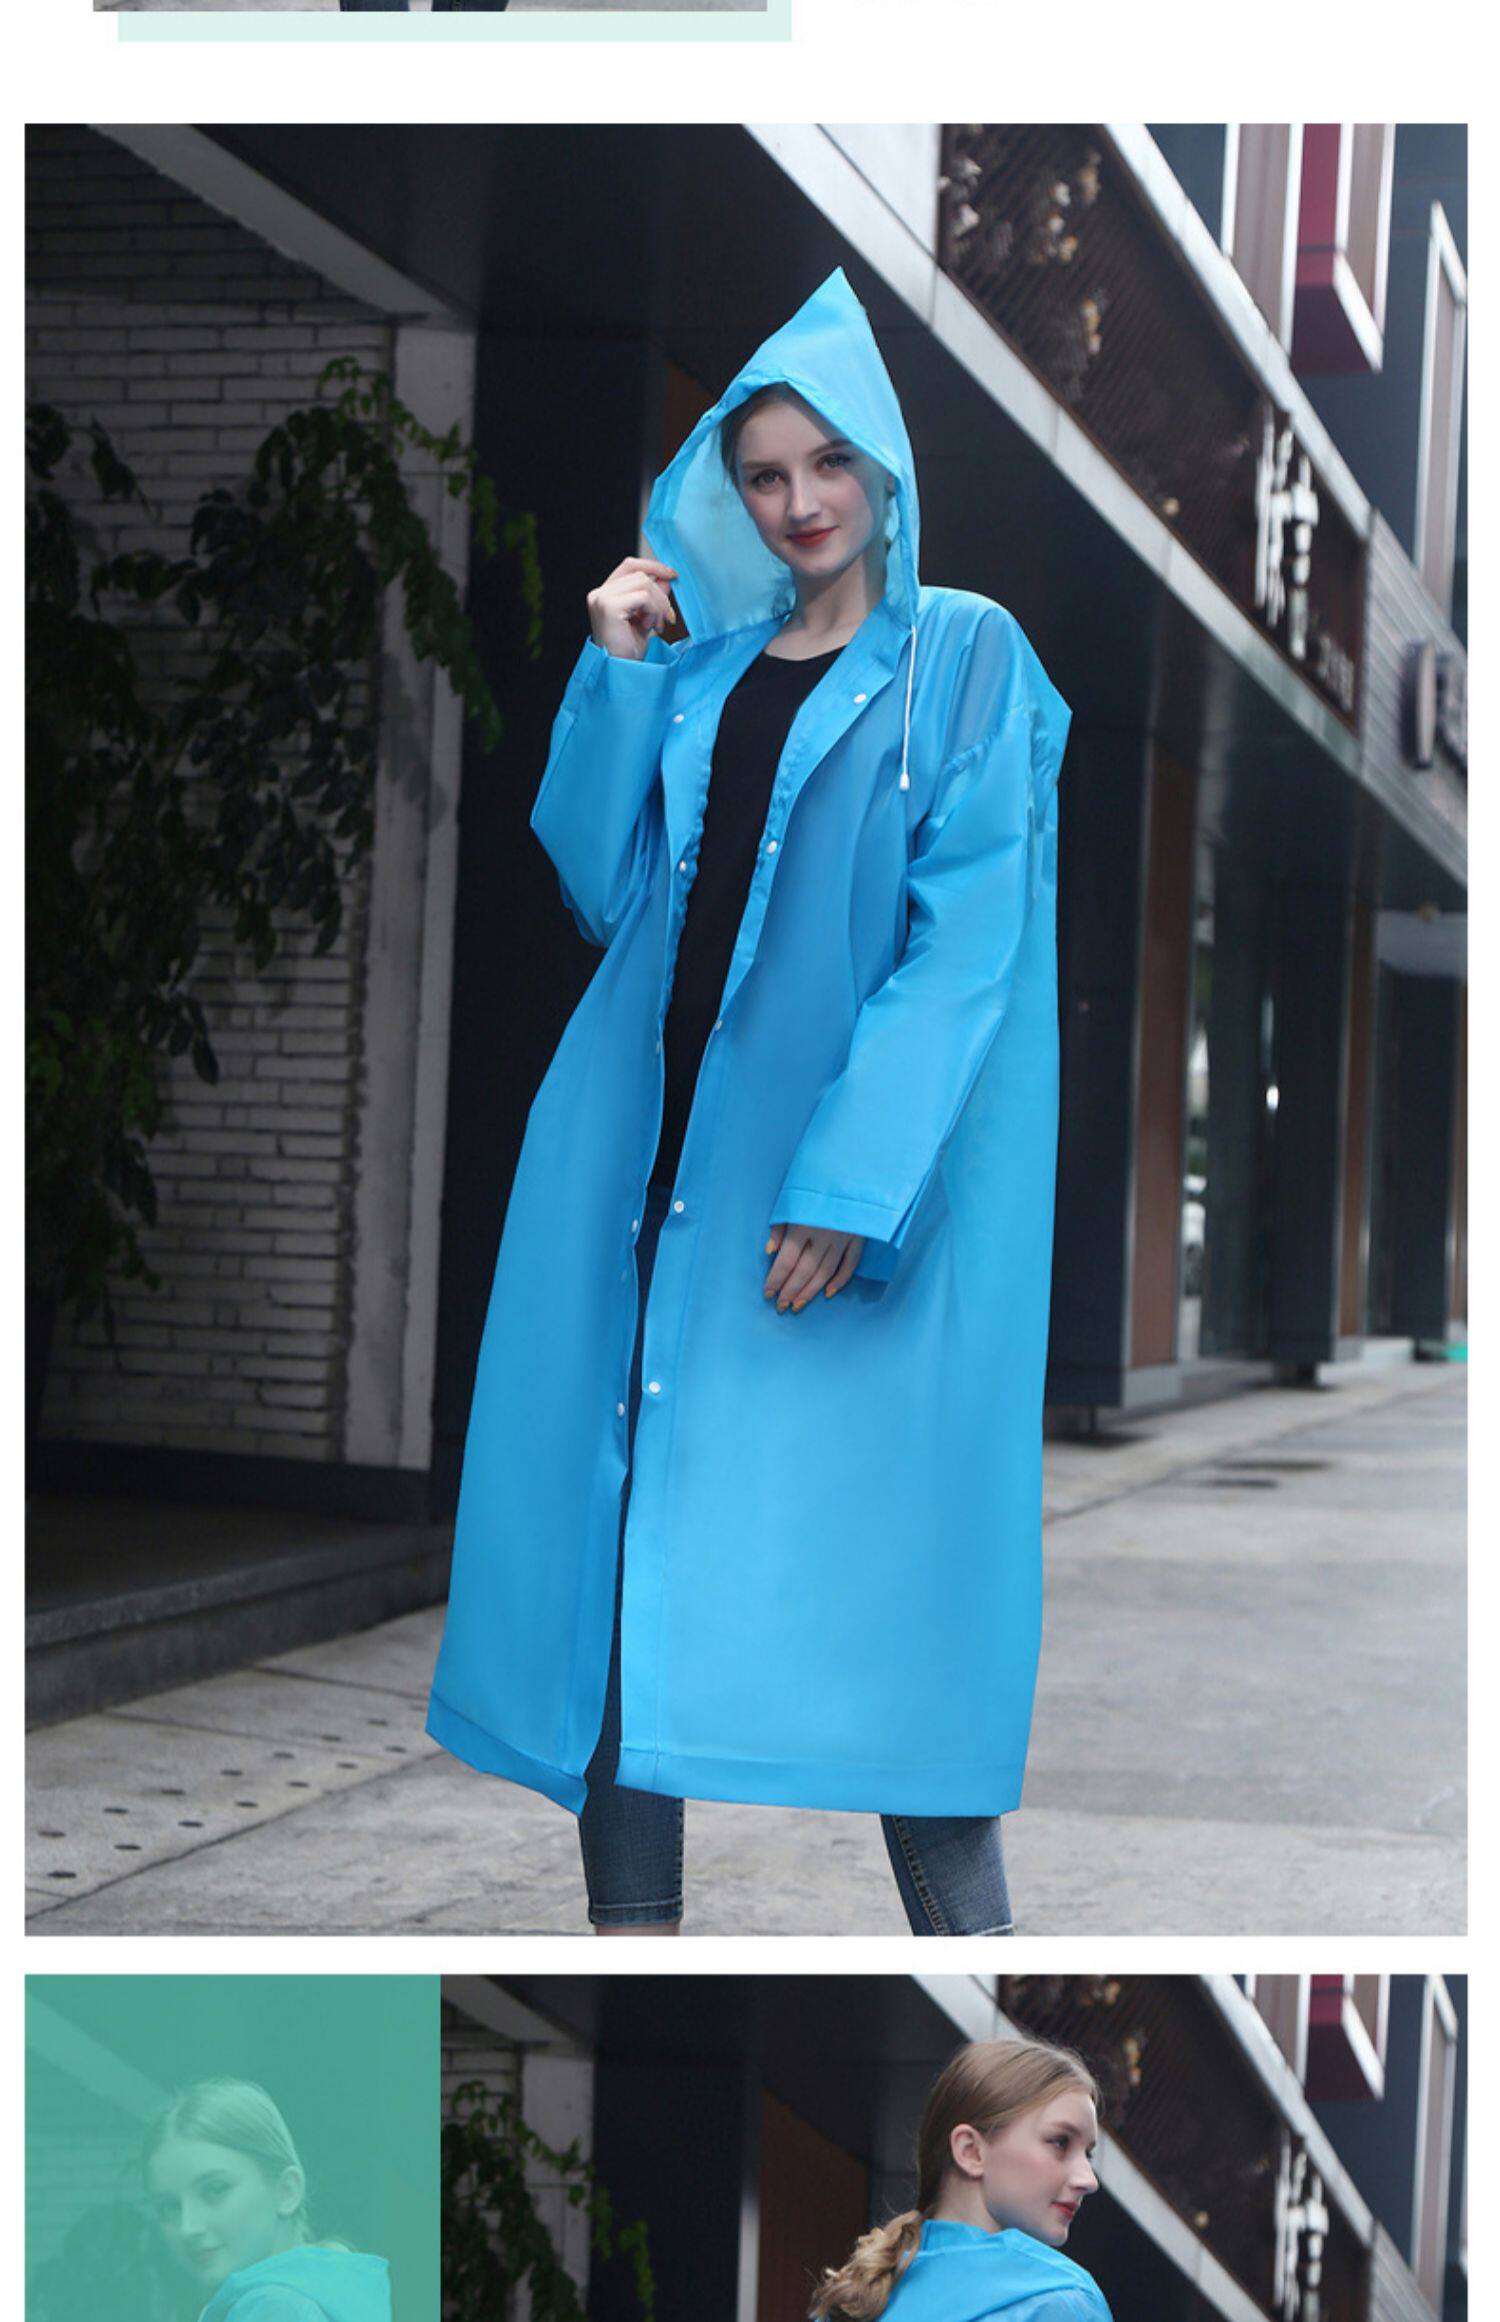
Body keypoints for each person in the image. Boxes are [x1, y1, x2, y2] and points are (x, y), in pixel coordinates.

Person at [427, 266, 1072, 1937]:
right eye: (765, 473)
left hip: (816, 1192)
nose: (798, 502)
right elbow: (599, 883)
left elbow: (968, 946)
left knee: (902, 1629)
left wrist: (850, 1188)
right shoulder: (701, 675)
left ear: (887, 468)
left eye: (828, 463)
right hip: (643, 1172)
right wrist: (616, 671)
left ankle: (980, 1969)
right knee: (619, 1591)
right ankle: (631, 1951)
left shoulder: (964, 658)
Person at [810, 2039, 1112, 2321]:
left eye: (1088, 2154)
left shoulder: (855, 2303)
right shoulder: (1062, 2299)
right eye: (1060, 2142)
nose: (1089, 2180)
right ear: (971, 2151)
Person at [144, 2079, 391, 2322]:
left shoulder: (274, 2308)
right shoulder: (323, 2294)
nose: (188, 2227)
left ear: (286, 2191)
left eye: (215, 2190)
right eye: (169, 2207)